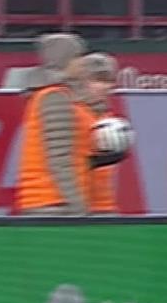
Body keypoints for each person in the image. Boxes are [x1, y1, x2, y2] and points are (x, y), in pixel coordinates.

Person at [16, 34, 122, 216]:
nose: (82, 62)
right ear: (65, 60)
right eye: (77, 57)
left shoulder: (69, 98)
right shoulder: (54, 97)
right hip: (53, 204)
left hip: (63, 201)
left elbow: (79, 153)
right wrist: (78, 207)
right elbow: (60, 159)